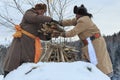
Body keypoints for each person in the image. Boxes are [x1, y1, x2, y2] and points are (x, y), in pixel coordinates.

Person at [59, 4, 113, 77]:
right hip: (93, 42)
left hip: (94, 43)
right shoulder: (81, 19)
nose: (75, 16)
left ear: (80, 14)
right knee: (96, 62)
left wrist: (60, 34)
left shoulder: (83, 21)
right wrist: (60, 23)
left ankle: (103, 77)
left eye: (76, 14)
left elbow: (73, 32)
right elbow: (71, 21)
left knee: (97, 62)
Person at [3, 3, 55, 77]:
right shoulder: (29, 13)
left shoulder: (39, 22)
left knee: (27, 63)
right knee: (14, 59)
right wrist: (50, 19)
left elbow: (40, 34)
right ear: (37, 9)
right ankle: (8, 75)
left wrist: (48, 36)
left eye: (43, 12)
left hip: (30, 45)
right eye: (41, 11)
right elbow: (34, 18)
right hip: (21, 41)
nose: (42, 14)